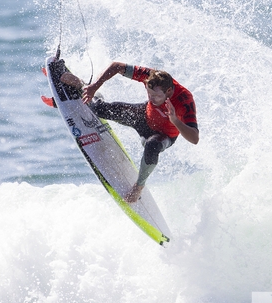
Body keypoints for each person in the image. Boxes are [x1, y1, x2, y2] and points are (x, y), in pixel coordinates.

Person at [59, 62, 199, 203]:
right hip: (143, 116)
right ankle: (82, 85)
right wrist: (95, 86)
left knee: (152, 146)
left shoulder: (184, 99)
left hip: (164, 136)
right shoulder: (151, 77)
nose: (152, 98)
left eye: (156, 96)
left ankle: (138, 187)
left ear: (169, 91)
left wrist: (175, 120)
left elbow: (194, 138)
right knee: (99, 109)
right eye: (149, 94)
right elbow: (116, 66)